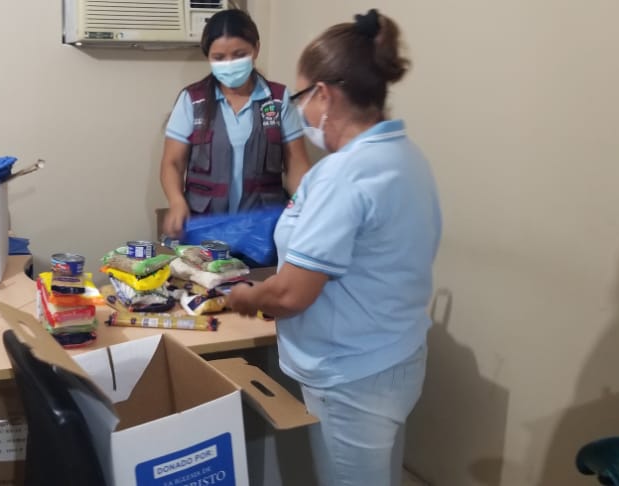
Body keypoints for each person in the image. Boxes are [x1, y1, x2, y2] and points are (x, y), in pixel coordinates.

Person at [227, 9, 442, 486]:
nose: (300, 112)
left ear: (324, 95)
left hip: (350, 376)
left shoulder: (346, 174)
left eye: (301, 97)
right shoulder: (405, 155)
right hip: (394, 353)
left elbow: (291, 295)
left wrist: (244, 296)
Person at [160, 9, 311, 238]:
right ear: (208, 57)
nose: (229, 64)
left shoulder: (278, 100)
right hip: (205, 228)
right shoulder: (192, 100)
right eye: (219, 58)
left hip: (262, 231)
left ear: (256, 49)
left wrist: (305, 206)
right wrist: (176, 200)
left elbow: (297, 164)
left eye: (239, 54)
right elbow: (172, 163)